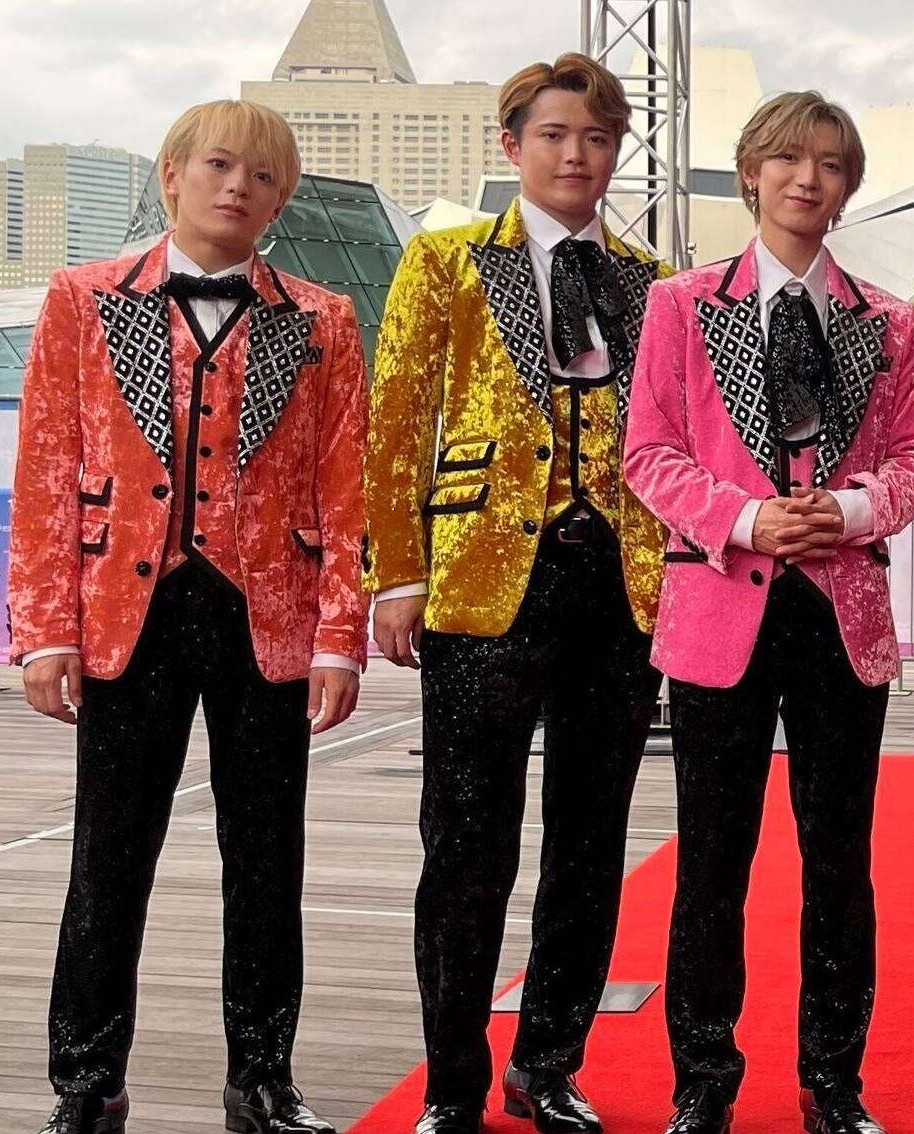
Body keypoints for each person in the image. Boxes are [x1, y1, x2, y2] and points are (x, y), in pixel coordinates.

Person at [11, 99, 366, 1134]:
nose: (237, 188)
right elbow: (46, 468)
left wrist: (339, 637)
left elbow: (344, 486)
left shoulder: (323, 318)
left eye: (262, 177)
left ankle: (263, 1078)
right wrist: (45, 629)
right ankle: (86, 1081)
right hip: (128, 612)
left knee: (267, 861)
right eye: (217, 165)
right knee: (108, 858)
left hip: (269, 615)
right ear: (170, 174)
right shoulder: (82, 300)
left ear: (281, 201)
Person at [623, 90, 914, 1134]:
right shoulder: (679, 305)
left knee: (839, 864)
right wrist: (749, 519)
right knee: (712, 861)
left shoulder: (889, 320)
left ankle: (834, 1085)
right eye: (790, 159)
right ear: (751, 171)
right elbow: (649, 454)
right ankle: (703, 1086)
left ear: (848, 188)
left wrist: (849, 510)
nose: (809, 178)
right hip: (721, 609)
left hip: (841, 615)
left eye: (831, 164)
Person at [363, 54, 669, 1134]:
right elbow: (395, 420)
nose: (576, 155)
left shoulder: (652, 278)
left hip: (620, 583)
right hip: (480, 578)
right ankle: (452, 1082)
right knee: (465, 843)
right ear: (512, 146)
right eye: (554, 135)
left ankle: (548, 1066)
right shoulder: (445, 260)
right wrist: (396, 574)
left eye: (597, 138)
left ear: (616, 152)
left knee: (590, 840)